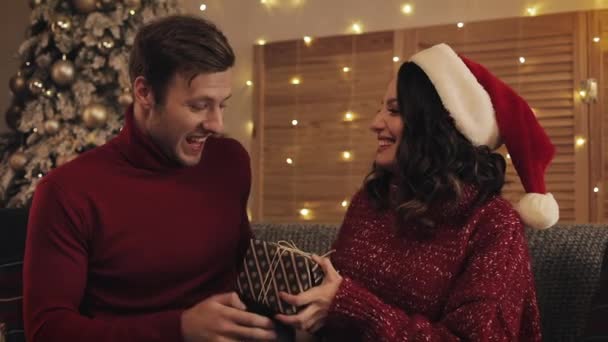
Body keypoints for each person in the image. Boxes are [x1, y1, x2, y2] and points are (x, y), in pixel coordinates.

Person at [275, 43, 557, 341]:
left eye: (394, 111)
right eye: (380, 108)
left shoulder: (493, 224)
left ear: (437, 125)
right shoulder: (373, 200)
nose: (375, 123)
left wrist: (351, 305)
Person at [23, 15, 278, 342]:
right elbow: (47, 332)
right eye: (199, 106)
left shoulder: (229, 161)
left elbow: (244, 273)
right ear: (144, 92)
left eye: (222, 105)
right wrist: (179, 329)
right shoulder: (67, 192)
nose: (215, 124)